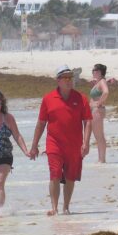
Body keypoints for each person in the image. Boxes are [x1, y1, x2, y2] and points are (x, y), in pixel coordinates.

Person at [29, 65, 93, 216]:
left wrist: (86, 142)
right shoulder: (48, 99)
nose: (69, 81)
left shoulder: (81, 98)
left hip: (74, 144)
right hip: (54, 143)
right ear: (58, 80)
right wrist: (34, 146)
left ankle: (66, 207)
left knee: (70, 177)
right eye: (65, 78)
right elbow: (41, 123)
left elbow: (88, 121)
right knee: (55, 173)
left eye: (70, 78)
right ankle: (54, 207)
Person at [89, 63, 109, 163]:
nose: (93, 72)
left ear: (101, 72)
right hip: (95, 111)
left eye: (95, 70)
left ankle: (102, 159)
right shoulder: (98, 82)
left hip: (97, 110)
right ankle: (101, 158)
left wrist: (99, 103)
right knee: (98, 136)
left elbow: (106, 92)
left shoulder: (102, 81)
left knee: (99, 136)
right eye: (93, 70)